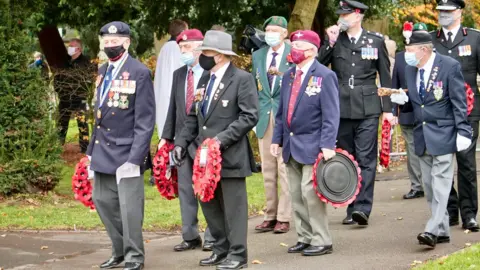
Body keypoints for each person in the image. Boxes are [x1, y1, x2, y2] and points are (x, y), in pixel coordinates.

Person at [173, 30, 258, 270]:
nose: (201, 56)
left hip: (229, 155)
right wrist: (180, 143)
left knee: (233, 208)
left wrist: (220, 141)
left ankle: (238, 254)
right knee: (209, 205)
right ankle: (220, 249)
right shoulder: (205, 79)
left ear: (219, 55)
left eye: (205, 52)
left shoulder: (241, 79)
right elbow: (193, 116)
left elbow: (249, 116)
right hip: (202, 159)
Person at [391, 22, 471, 248]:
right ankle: (443, 229)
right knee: (428, 185)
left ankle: (431, 229)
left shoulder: (449, 66)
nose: (405, 55)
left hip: (444, 133)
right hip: (422, 135)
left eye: (409, 50)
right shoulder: (411, 69)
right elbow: (419, 105)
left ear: (423, 50)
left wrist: (463, 130)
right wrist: (403, 102)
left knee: (441, 184)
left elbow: (459, 101)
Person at [318, 0, 394, 226]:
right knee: (346, 156)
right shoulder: (335, 40)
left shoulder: (375, 40)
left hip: (368, 106)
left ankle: (363, 207)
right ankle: (350, 205)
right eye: (340, 14)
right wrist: (329, 42)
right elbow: (319, 66)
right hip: (340, 106)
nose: (342, 18)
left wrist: (388, 109)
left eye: (346, 14)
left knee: (366, 157)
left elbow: (385, 76)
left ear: (358, 15)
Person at [86, 21, 155, 270]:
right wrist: (90, 153)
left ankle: (134, 256)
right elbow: (99, 115)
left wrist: (135, 159)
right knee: (103, 202)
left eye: (114, 42)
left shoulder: (139, 72)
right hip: (103, 150)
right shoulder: (103, 69)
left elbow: (145, 121)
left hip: (127, 152)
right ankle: (119, 250)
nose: (109, 45)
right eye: (106, 41)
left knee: (129, 209)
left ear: (127, 43)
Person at [271, 30, 340, 256]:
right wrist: (276, 139)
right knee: (295, 194)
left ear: (311, 50)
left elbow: (331, 114)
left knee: (310, 193)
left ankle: (322, 239)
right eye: (293, 45)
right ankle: (305, 236)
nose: (294, 50)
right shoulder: (289, 75)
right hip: (290, 144)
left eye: (299, 46)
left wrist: (328, 144)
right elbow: (281, 112)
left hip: (313, 144)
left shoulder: (325, 76)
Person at [160, 29, 215, 252]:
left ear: (200, 47)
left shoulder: (211, 73)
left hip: (205, 141)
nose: (184, 51)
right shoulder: (179, 74)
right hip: (181, 141)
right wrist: (166, 137)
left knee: (208, 188)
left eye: (188, 47)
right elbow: (173, 108)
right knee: (185, 189)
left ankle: (213, 235)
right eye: (181, 47)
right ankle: (190, 235)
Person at [431, 0, 480, 231]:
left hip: (469, 111)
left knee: (467, 163)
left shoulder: (474, 38)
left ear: (459, 12)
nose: (444, 15)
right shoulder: (431, 40)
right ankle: (449, 212)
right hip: (439, 112)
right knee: (441, 163)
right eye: (441, 11)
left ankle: (469, 213)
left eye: (448, 11)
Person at [251, 16, 293, 234]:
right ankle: (270, 214)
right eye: (267, 30)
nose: (270, 34)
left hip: (286, 118)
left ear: (285, 33)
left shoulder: (293, 53)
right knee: (267, 169)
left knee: (284, 168)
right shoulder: (257, 55)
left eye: (275, 30)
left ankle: (284, 217)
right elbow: (254, 86)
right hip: (263, 118)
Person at [392, 49, 424, 200]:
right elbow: (394, 84)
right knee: (412, 150)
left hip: (427, 110)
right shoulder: (399, 58)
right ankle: (416, 185)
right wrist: (393, 112)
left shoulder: (430, 55)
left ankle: (430, 183)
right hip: (407, 111)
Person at [56, 38, 94, 153]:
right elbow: (57, 78)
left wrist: (83, 93)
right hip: (65, 98)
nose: (69, 48)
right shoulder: (64, 62)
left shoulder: (86, 62)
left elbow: (90, 80)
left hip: (79, 98)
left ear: (78, 49)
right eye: (69, 46)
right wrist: (60, 91)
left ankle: (85, 149)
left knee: (82, 123)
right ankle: (57, 147)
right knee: (61, 124)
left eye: (71, 46)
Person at [154, 19, 188, 136]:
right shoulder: (177, 48)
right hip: (172, 96)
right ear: (183, 31)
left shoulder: (164, 48)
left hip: (162, 95)